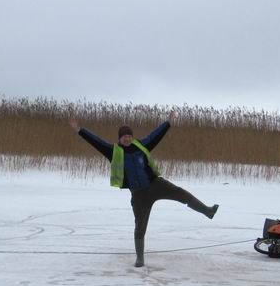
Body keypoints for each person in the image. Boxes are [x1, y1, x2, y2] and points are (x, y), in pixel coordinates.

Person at [68, 111, 219, 267]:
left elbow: (156, 135)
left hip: (156, 185)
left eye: (129, 135)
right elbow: (96, 142)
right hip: (139, 194)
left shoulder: (142, 145)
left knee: (181, 193)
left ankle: (208, 211)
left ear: (132, 137)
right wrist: (80, 130)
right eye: (124, 136)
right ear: (119, 138)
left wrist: (168, 122)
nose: (127, 138)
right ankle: (140, 258)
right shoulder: (114, 151)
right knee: (140, 224)